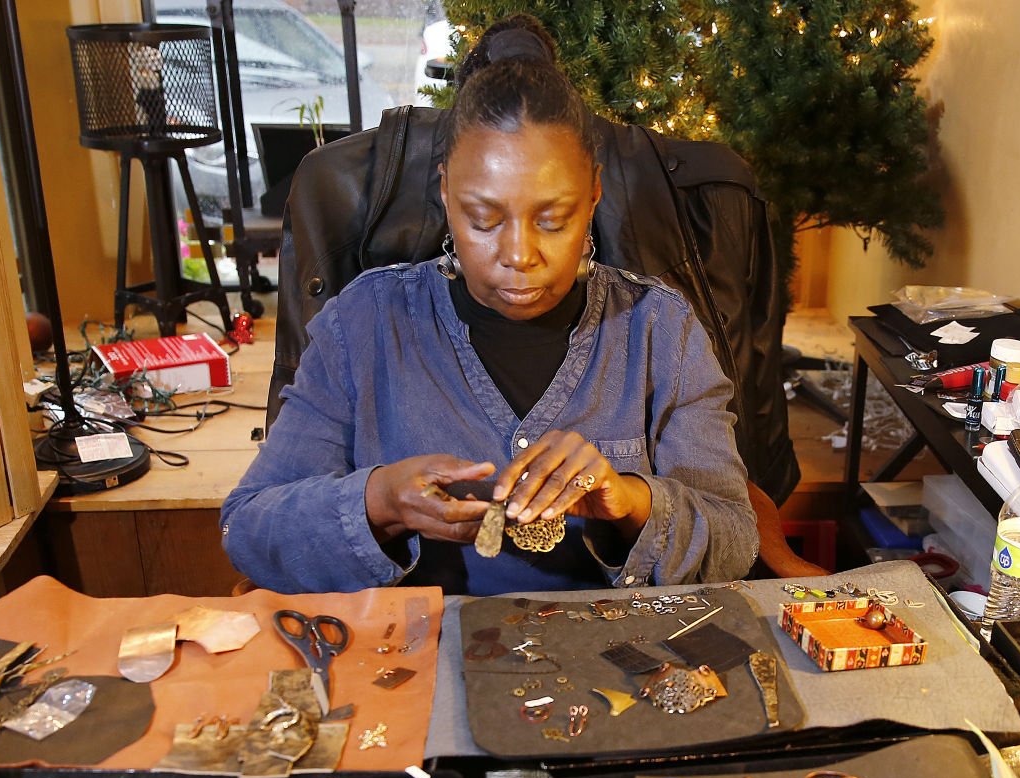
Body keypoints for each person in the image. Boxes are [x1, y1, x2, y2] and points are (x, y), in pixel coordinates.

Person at [221, 17, 757, 595]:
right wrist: (376, 502)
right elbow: (248, 528)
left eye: (554, 220)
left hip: (612, 667)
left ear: (595, 191)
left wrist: (629, 500)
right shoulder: (365, 325)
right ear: (446, 190)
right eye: (484, 219)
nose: (519, 255)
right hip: (416, 663)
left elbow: (734, 541)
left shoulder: (660, 331)